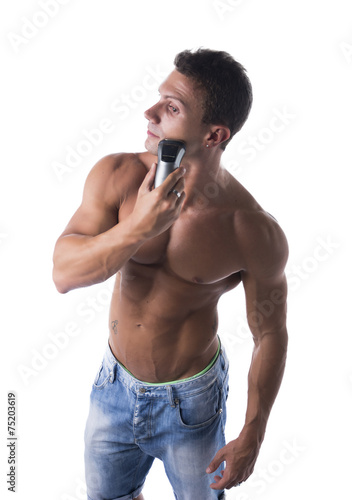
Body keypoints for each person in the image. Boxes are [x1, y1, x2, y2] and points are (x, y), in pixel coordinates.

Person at [53, 48, 288, 500]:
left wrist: (253, 435)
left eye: (172, 107)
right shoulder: (117, 176)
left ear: (215, 134)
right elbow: (64, 273)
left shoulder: (250, 229)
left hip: (192, 403)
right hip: (113, 388)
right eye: (159, 98)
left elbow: (271, 333)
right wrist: (138, 227)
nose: (150, 112)